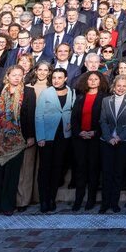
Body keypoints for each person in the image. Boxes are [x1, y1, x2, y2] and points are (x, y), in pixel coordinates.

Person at [0, 65, 36, 218]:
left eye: (20, 75)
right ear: (8, 76)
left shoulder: (29, 92)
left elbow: (30, 114)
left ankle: (7, 205)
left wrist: (31, 136)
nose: (17, 77)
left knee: (12, 175)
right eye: (14, 75)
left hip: (17, 139)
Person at [35, 67, 74, 213]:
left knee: (58, 168)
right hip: (47, 136)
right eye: (54, 78)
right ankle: (43, 200)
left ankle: (52, 198)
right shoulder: (46, 93)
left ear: (65, 78)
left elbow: (72, 110)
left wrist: (71, 123)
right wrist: (40, 137)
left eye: (59, 78)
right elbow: (38, 116)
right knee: (45, 169)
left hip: (64, 136)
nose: (56, 80)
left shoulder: (71, 92)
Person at [70, 71, 108, 211]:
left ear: (100, 81)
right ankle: (78, 199)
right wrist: (79, 132)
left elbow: (106, 119)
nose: (92, 81)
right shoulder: (80, 98)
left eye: (95, 79)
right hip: (80, 138)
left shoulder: (105, 98)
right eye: (90, 79)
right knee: (80, 169)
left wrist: (95, 132)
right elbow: (74, 118)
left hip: (95, 138)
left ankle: (91, 199)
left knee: (93, 169)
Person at [99, 74, 126, 213]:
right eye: (118, 85)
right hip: (107, 141)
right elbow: (102, 121)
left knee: (118, 172)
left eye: (124, 86)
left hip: (124, 141)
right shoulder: (106, 101)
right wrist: (109, 137)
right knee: (107, 172)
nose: (121, 88)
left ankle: (114, 203)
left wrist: (119, 137)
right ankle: (105, 203)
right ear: (113, 87)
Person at [16, 61, 50, 211]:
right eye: (40, 70)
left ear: (49, 72)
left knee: (41, 166)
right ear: (35, 71)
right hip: (30, 129)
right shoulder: (27, 88)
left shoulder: (52, 88)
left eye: (45, 70)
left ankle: (37, 196)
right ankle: (23, 199)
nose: (42, 72)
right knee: (26, 166)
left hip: (46, 130)